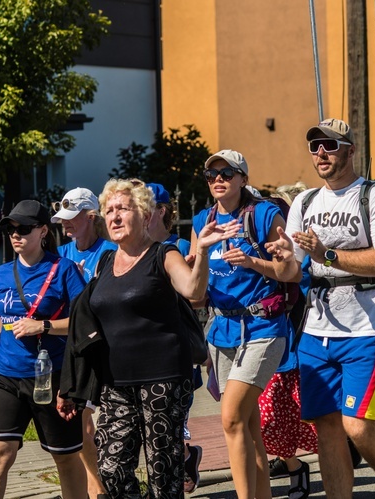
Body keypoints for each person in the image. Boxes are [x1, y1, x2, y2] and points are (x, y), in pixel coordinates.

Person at [80, 178, 237, 498]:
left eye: (122, 208)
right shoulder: (107, 261)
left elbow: (194, 292)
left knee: (163, 471)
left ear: (145, 214)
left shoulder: (162, 255)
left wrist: (203, 251)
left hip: (162, 380)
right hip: (116, 381)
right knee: (110, 466)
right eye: (108, 210)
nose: (113, 216)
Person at [287, 119, 375, 499]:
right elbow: (292, 268)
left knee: (357, 427)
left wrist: (328, 254)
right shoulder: (303, 202)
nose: (321, 153)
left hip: (368, 327)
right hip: (317, 329)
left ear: (350, 150)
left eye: (330, 145)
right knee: (326, 426)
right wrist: (265, 261)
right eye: (314, 147)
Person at [192, 150, 300, 499]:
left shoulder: (265, 214)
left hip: (263, 329)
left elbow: (290, 271)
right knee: (249, 426)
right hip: (222, 331)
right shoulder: (201, 221)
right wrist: (203, 252)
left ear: (243, 179)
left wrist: (254, 261)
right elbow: (196, 293)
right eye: (211, 175)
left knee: (231, 418)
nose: (218, 179)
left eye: (227, 172)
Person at [0, 200, 87, 499]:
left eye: (24, 229)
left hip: (51, 378)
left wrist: (44, 327)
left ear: (43, 232)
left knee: (65, 458)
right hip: (4, 377)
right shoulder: (1, 274)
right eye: (11, 229)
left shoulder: (63, 270)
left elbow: (84, 323)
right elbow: (2, 323)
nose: (16, 235)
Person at [52, 186, 117, 498]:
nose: (65, 224)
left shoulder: (110, 251)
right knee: (82, 425)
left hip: (108, 348)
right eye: (62, 218)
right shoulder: (61, 256)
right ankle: (97, 489)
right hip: (75, 352)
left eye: (71, 217)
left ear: (92, 217)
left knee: (110, 426)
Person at [260, 181, 318, 499]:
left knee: (306, 410)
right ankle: (293, 464)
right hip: (277, 335)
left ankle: (339, 450)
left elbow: (301, 279)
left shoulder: (308, 245)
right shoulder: (274, 242)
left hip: (303, 335)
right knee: (270, 412)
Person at [145, 182, 203, 493]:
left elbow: (197, 297)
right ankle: (185, 458)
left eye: (146, 206)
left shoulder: (179, 248)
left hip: (176, 350)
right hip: (144, 352)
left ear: (162, 210)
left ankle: (177, 472)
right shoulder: (129, 250)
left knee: (170, 425)